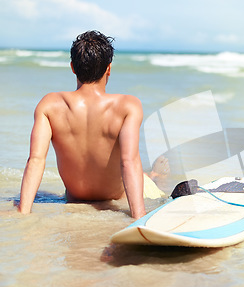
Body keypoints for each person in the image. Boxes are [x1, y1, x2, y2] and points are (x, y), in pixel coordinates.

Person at [18, 30, 164, 219]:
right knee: (148, 183)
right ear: (109, 69)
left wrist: (23, 211)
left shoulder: (49, 105)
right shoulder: (128, 106)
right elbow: (128, 162)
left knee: (147, 178)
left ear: (72, 67)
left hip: (74, 198)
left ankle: (153, 176)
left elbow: (36, 160)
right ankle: (153, 177)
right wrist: (139, 216)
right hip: (116, 196)